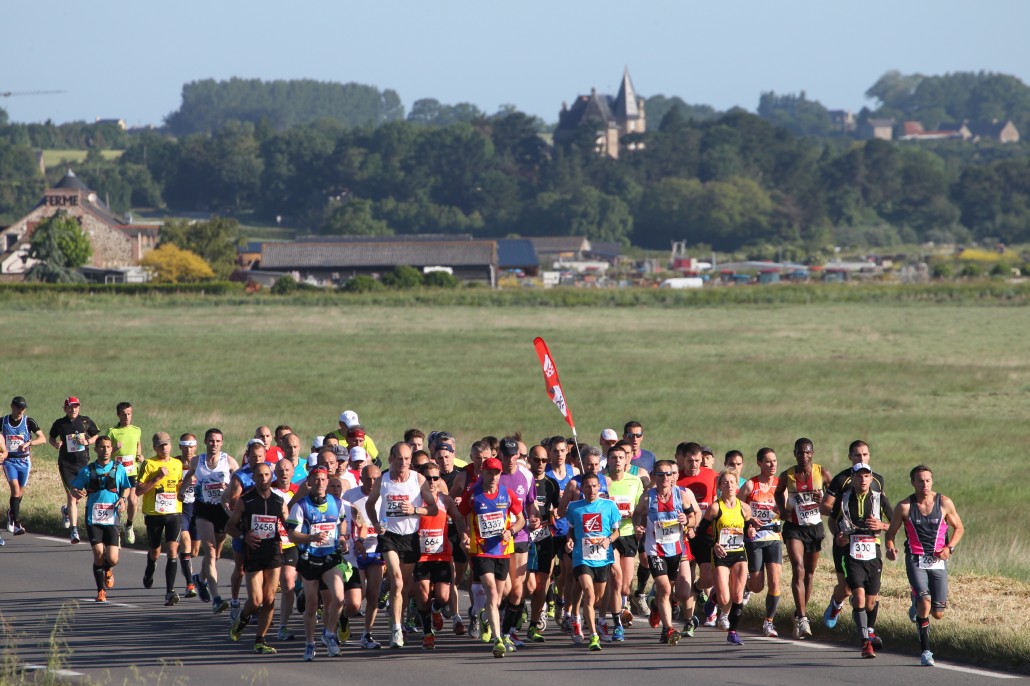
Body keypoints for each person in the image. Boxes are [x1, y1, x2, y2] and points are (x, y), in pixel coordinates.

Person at [885, 465, 965, 667]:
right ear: (913, 483)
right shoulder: (904, 506)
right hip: (915, 559)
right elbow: (891, 533)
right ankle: (926, 652)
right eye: (920, 481)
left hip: (938, 560)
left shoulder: (944, 503)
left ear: (932, 481)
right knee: (925, 603)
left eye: (928, 480)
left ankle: (916, 601)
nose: (925, 485)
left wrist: (950, 548)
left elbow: (959, 528)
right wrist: (890, 548)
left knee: (937, 613)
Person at [365, 442, 439, 649]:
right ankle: (396, 630)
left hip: (410, 537)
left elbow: (433, 509)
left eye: (407, 458)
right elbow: (371, 504)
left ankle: (397, 621)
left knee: (404, 587)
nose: (404, 462)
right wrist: (376, 523)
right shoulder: (383, 480)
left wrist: (415, 509)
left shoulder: (418, 479)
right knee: (397, 581)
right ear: (391, 459)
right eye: (400, 458)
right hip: (389, 535)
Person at [458, 456, 525, 658]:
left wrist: (511, 531)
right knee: (492, 591)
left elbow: (521, 519)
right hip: (481, 550)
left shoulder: (507, 494)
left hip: (502, 550)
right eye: (490, 472)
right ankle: (498, 640)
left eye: (497, 473)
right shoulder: (473, 495)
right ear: (483, 473)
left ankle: (486, 614)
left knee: (504, 592)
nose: (494, 476)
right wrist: (464, 534)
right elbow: (459, 515)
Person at [820, 440, 888, 634]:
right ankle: (836, 604)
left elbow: (880, 505)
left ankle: (865, 627)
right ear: (850, 457)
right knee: (846, 588)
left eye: (865, 454)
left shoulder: (877, 480)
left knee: (864, 594)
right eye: (857, 455)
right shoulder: (842, 479)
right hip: (844, 540)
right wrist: (840, 526)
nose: (861, 458)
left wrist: (879, 526)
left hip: (868, 541)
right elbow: (826, 508)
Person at [632, 459, 700, 646]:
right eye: (660, 474)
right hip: (655, 550)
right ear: (653, 476)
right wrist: (638, 527)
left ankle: (655, 606)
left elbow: (693, 517)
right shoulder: (648, 497)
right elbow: (637, 513)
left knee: (672, 592)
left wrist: (687, 521)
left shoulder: (682, 496)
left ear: (673, 476)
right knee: (665, 588)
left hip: (676, 550)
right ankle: (668, 628)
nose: (664, 478)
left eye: (668, 474)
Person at [828, 462, 891, 658]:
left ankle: (869, 630)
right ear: (852, 478)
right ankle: (865, 643)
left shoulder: (880, 498)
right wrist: (838, 534)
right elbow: (833, 520)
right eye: (859, 476)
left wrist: (882, 525)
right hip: (851, 552)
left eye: (866, 476)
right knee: (859, 597)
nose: (863, 480)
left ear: (871, 479)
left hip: (873, 552)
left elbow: (897, 522)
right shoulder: (843, 498)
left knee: (871, 603)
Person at [287, 465, 350, 661]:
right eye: (316, 480)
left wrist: (342, 539)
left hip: (330, 558)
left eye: (323, 480)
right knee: (312, 606)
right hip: (309, 560)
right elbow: (292, 534)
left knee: (339, 599)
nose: (320, 483)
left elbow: (342, 522)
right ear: (309, 483)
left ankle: (329, 634)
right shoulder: (301, 506)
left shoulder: (336, 502)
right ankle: (309, 643)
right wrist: (310, 538)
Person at [227, 461, 290, 654]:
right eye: (259, 476)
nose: (263, 479)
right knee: (255, 601)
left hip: (273, 552)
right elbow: (230, 527)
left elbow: (289, 527)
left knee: (269, 598)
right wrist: (243, 536)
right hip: (253, 553)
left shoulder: (279, 501)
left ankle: (260, 640)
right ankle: (243, 617)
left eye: (266, 475)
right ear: (253, 478)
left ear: (272, 477)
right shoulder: (245, 500)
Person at [774, 437, 832, 639]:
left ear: (812, 453)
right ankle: (803, 619)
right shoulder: (787, 475)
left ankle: (799, 612)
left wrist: (823, 499)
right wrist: (782, 510)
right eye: (800, 452)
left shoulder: (821, 472)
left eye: (807, 452)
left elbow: (835, 495)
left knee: (809, 573)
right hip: (794, 528)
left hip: (814, 528)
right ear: (795, 453)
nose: (804, 455)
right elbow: (777, 492)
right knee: (797, 568)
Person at [180, 428, 238, 612]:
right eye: (211, 441)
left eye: (218, 441)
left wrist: (228, 486)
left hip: (222, 510)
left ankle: (199, 579)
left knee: (216, 553)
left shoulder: (228, 460)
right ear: (205, 442)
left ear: (222, 443)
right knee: (211, 552)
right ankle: (217, 599)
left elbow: (240, 481)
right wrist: (182, 491)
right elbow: (189, 476)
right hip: (203, 510)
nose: (214, 444)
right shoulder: (198, 461)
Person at [69, 435, 131, 602]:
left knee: (112, 558)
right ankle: (100, 591)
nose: (105, 450)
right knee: (98, 554)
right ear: (96, 449)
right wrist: (77, 492)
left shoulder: (119, 469)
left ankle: (108, 569)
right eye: (102, 447)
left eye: (108, 447)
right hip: (93, 517)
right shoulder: (88, 470)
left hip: (112, 517)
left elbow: (126, 487)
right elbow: (74, 488)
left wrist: (123, 499)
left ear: (112, 449)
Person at [412, 460, 467, 649]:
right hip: (420, 557)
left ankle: (436, 610)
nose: (432, 481)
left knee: (443, 597)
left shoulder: (445, 500)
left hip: (442, 555)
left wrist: (463, 536)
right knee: (423, 594)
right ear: (421, 479)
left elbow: (459, 518)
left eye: (436, 477)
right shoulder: (415, 500)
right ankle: (428, 633)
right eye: (428, 478)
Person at [565, 472, 621, 652]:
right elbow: (571, 532)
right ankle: (592, 634)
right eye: (587, 486)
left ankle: (596, 620)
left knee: (598, 597)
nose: (591, 490)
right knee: (588, 593)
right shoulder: (574, 507)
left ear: (599, 487)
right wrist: (569, 540)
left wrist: (608, 540)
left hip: (602, 556)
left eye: (594, 486)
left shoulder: (609, 506)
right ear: (581, 489)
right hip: (581, 557)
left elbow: (616, 532)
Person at [704, 469, 755, 646]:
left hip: (739, 553)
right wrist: (714, 544)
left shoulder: (744, 508)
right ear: (719, 486)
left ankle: (732, 632)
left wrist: (751, 531)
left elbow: (749, 529)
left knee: (738, 595)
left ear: (737, 484)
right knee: (724, 599)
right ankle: (713, 598)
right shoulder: (715, 508)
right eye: (725, 482)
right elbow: (702, 533)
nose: (729, 485)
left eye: (732, 482)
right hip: (721, 554)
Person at [136, 432, 185, 606]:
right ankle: (150, 567)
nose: (164, 448)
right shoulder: (149, 464)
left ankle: (170, 592)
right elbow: (139, 490)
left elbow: (179, 485)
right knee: (155, 551)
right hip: (154, 513)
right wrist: (157, 477)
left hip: (174, 513)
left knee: (172, 550)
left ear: (171, 446)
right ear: (155, 447)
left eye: (166, 445)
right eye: (160, 445)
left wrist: (186, 486)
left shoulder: (177, 463)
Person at [739, 447, 782, 637]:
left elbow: (785, 509)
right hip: (755, 538)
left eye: (774, 461)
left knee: (775, 581)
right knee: (758, 585)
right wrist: (748, 521)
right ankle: (747, 587)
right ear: (759, 463)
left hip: (773, 538)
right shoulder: (750, 485)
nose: (772, 465)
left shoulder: (780, 485)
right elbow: (736, 505)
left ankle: (768, 622)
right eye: (768, 461)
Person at [497, 437, 536, 647]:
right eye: (506, 455)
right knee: (505, 588)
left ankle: (507, 632)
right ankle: (495, 613)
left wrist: (535, 517)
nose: (510, 460)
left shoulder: (527, 476)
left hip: (520, 535)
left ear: (518, 456)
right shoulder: (494, 476)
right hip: (497, 538)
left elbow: (530, 505)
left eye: (514, 455)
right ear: (500, 455)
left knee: (518, 590)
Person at [603, 443, 644, 642]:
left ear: (627, 460)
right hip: (609, 536)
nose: (617, 461)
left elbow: (639, 509)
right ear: (608, 460)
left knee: (626, 586)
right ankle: (617, 624)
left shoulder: (635, 481)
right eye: (613, 457)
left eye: (621, 457)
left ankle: (619, 604)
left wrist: (635, 519)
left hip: (627, 534)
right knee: (616, 577)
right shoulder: (602, 481)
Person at [675, 441, 718, 627]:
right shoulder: (676, 478)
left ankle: (699, 590)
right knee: (686, 576)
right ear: (683, 459)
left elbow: (717, 501)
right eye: (690, 460)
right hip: (682, 535)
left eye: (697, 461)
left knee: (708, 577)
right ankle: (689, 620)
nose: (694, 465)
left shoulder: (711, 476)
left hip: (705, 533)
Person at [344, 463, 387, 649]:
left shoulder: (384, 497)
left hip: (376, 551)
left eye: (375, 478)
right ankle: (341, 617)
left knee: (373, 595)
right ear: (360, 478)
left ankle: (367, 634)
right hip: (355, 553)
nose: (371, 482)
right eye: (368, 478)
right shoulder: (350, 496)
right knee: (356, 600)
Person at [48, 396, 100, 544]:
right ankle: (74, 530)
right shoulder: (60, 423)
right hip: (66, 464)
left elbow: (96, 435)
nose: (74, 409)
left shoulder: (85, 421)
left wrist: (88, 441)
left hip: (83, 464)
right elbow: (51, 437)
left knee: (78, 497)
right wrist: (55, 444)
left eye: (76, 406)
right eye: (70, 407)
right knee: (72, 495)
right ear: (65, 409)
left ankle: (66, 511)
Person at [525, 444, 560, 642]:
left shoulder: (551, 484)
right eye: (536, 460)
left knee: (541, 585)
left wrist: (556, 514)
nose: (540, 464)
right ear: (529, 459)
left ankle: (533, 625)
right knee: (527, 587)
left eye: (544, 460)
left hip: (545, 538)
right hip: (524, 538)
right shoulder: (523, 480)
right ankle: (516, 608)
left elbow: (557, 509)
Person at [2, 396, 44, 536]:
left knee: (20, 492)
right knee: (14, 489)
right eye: (18, 408)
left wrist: (29, 443)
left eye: (23, 408)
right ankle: (17, 523)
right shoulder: (3, 421)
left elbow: (42, 438)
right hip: (9, 461)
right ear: (12, 406)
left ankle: (11, 513)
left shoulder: (28, 421)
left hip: (24, 462)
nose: (20, 411)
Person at [106, 402, 143, 545]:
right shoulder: (113, 431)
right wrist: (115, 447)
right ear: (118, 415)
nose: (127, 417)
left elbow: (138, 445)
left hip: (132, 471)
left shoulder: (136, 430)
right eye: (123, 414)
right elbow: (106, 452)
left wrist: (140, 456)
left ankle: (129, 525)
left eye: (129, 414)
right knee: (118, 503)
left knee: (133, 501)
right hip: (117, 472)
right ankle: (117, 533)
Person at [176, 434, 200, 599]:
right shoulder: (175, 463)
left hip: (197, 509)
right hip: (180, 509)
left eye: (191, 446)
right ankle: (190, 584)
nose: (188, 450)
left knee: (195, 551)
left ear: (196, 447)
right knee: (185, 542)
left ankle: (184, 558)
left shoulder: (201, 462)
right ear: (180, 447)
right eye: (185, 446)